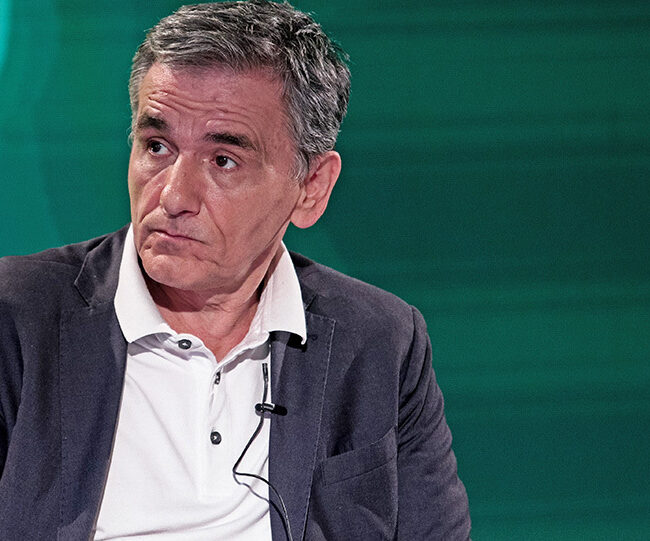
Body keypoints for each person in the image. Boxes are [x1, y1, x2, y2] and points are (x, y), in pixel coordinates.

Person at [0, 1, 470, 539]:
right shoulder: (17, 317)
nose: (173, 196)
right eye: (157, 146)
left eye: (223, 160)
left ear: (311, 188)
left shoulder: (381, 342)